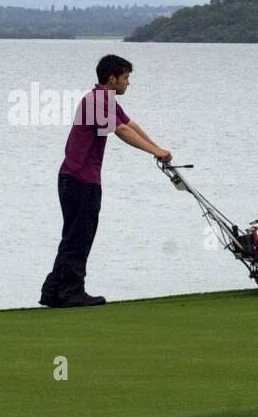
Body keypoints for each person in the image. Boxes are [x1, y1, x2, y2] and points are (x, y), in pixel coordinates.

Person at [39, 55, 172, 308]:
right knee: (79, 236)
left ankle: (53, 291)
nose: (128, 83)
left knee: (74, 235)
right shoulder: (96, 101)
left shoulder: (106, 100)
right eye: (125, 78)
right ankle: (71, 291)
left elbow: (130, 124)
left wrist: (159, 148)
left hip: (77, 178)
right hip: (79, 179)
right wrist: (154, 152)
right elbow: (121, 131)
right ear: (112, 78)